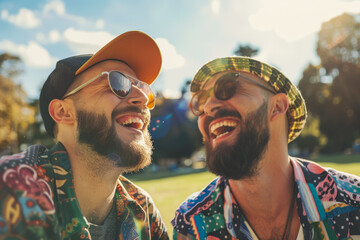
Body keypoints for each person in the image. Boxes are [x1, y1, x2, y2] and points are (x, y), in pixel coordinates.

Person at [0, 31, 169, 240]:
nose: (143, 98)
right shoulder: (9, 189)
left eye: (144, 88)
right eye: (118, 83)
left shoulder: (143, 210)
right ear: (63, 112)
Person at [172, 57, 360, 239]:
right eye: (201, 102)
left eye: (227, 87)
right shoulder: (190, 223)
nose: (209, 107)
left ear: (277, 106)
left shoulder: (353, 201)